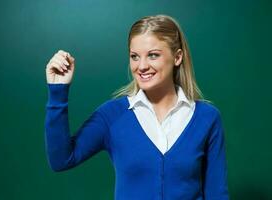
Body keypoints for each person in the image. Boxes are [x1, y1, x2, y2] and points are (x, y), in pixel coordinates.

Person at [44, 14, 229, 200]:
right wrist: (58, 91)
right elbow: (61, 160)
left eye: (153, 55)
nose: (141, 66)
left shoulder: (207, 117)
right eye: (134, 57)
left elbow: (217, 193)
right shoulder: (112, 115)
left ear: (177, 57)